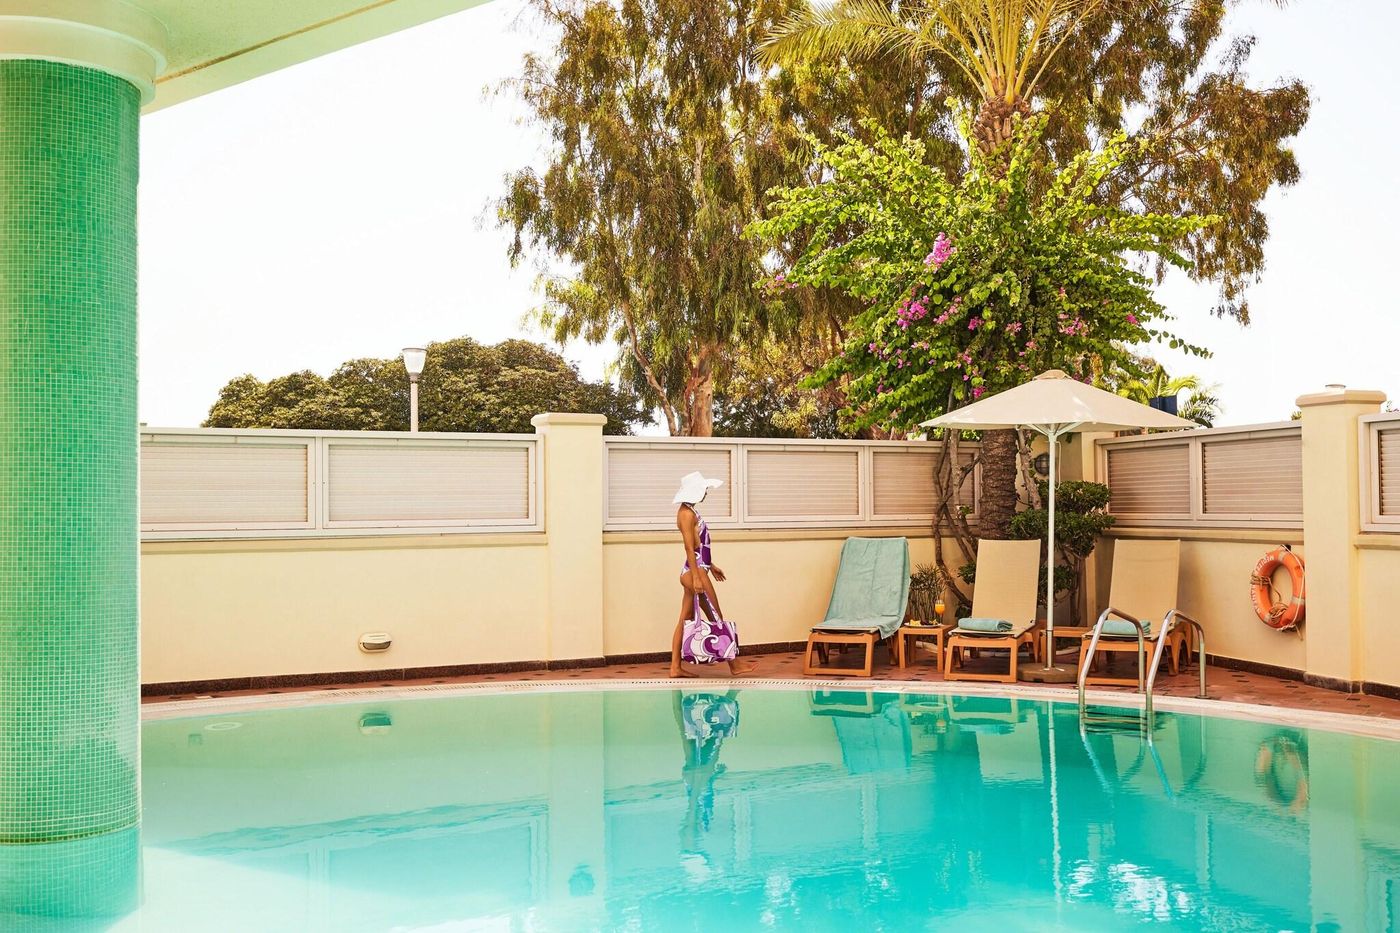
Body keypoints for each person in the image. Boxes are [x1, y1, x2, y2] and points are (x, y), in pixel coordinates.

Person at [670, 471, 756, 678]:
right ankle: (735, 665)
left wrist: (711, 565)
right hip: (694, 571)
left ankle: (675, 667)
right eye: (704, 489)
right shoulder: (686, 514)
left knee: (686, 618)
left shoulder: (689, 511)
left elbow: (699, 546)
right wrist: (699, 577)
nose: (706, 493)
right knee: (716, 615)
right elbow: (689, 549)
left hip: (698, 569)